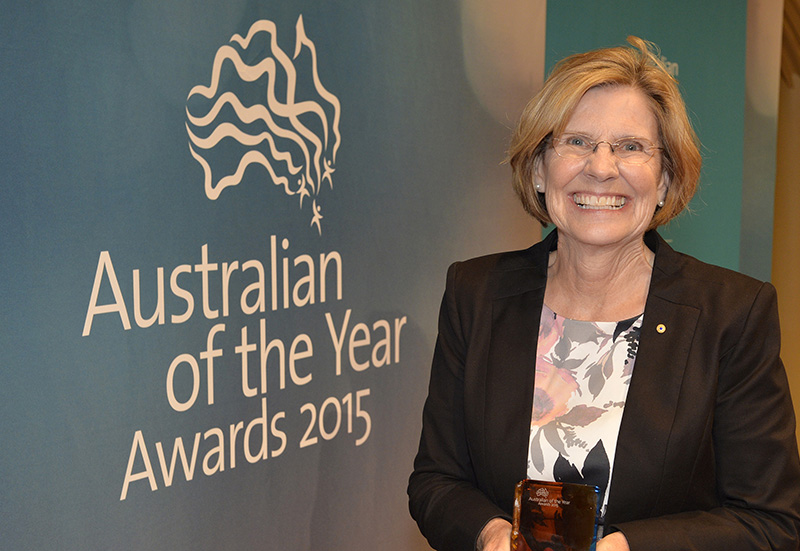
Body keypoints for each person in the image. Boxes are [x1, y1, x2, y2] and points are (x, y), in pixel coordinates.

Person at [407, 36, 800, 551]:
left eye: (630, 147)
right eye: (576, 142)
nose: (600, 167)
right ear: (539, 170)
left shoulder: (731, 314)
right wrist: (490, 535)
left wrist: (630, 548)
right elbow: (436, 481)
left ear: (664, 181)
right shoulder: (475, 294)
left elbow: (770, 523)